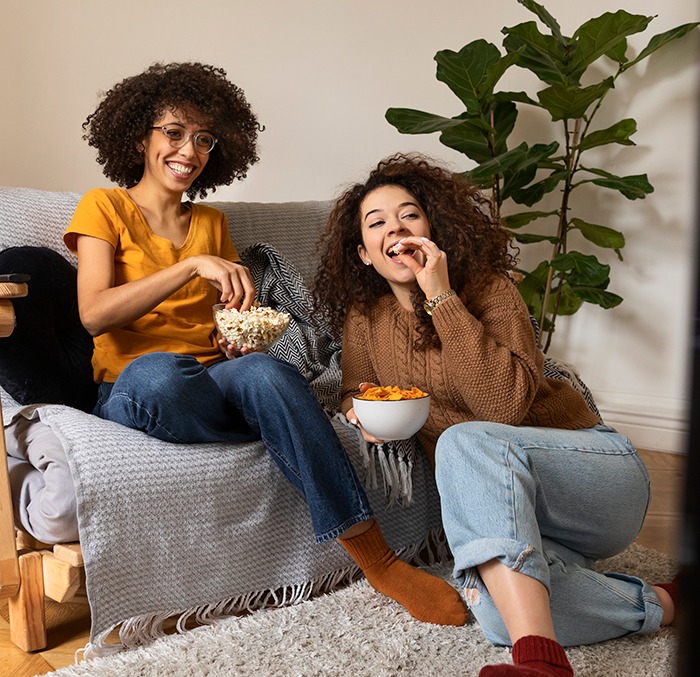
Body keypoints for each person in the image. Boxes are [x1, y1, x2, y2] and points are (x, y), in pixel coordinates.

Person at [63, 63, 466, 628]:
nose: (190, 150)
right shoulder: (103, 207)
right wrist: (191, 267)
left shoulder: (211, 221)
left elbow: (222, 324)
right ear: (138, 138)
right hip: (134, 385)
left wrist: (239, 340)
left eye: (204, 139)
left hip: (209, 381)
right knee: (162, 374)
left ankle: (380, 563)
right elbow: (93, 313)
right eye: (174, 133)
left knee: (271, 375)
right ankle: (282, 424)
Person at [312, 152, 678, 676]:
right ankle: (663, 604)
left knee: (463, 440)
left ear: (432, 228)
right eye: (377, 223)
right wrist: (362, 411)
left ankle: (539, 664)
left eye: (409, 214)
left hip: (594, 476)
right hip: (513, 508)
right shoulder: (365, 318)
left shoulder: (489, 289)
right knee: (497, 612)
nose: (396, 227)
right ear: (365, 254)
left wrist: (440, 296)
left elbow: (501, 405)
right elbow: (355, 392)